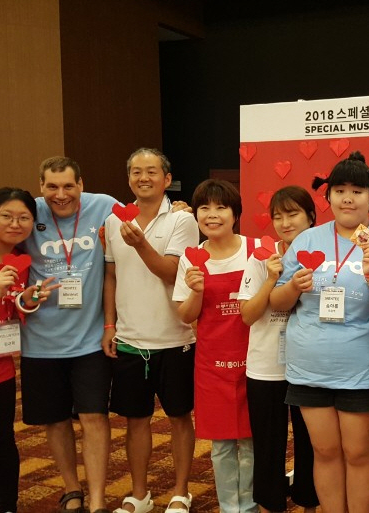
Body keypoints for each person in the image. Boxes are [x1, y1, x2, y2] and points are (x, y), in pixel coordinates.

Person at [269, 151, 369, 513]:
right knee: (324, 452)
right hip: (309, 366)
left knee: (358, 453)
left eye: (357, 191)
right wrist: (293, 286)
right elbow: (278, 302)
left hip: (362, 368)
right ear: (327, 196)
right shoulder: (307, 240)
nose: (348, 198)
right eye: (340, 190)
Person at [14, 157, 117, 513]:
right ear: (41, 186)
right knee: (55, 420)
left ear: (81, 184)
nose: (61, 195)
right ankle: (72, 489)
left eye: (68, 186)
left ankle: (98, 499)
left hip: (91, 338)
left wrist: (177, 209)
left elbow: (144, 218)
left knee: (94, 416)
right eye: (52, 187)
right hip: (40, 342)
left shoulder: (104, 206)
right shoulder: (28, 213)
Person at [102, 149, 198, 513]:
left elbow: (172, 273)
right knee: (136, 421)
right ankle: (139, 495)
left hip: (175, 339)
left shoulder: (181, 220)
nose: (144, 178)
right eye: (136, 172)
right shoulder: (114, 221)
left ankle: (181, 492)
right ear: (128, 179)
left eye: (152, 172)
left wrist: (140, 242)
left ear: (166, 178)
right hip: (129, 340)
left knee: (179, 418)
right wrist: (109, 324)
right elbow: (111, 276)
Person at [0, 187, 58, 513]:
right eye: (6, 216)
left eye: (24, 217)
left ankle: (8, 506)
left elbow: (11, 308)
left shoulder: (21, 259)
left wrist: (28, 300)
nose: (15, 224)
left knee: (2, 443)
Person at [174, 179, 260, 513]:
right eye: (204, 208)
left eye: (221, 207)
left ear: (235, 214)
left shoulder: (256, 249)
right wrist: (196, 290)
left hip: (255, 361)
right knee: (222, 445)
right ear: (195, 215)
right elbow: (186, 315)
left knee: (251, 441)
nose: (212, 215)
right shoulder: (191, 257)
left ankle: (249, 506)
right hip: (213, 363)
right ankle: (228, 507)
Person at [238, 186, 319, 513]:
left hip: (310, 367)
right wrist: (272, 278)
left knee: (311, 444)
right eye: (278, 216)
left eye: (293, 214)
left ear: (310, 217)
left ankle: (309, 503)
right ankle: (269, 505)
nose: (285, 223)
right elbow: (247, 315)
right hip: (266, 367)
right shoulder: (262, 258)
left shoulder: (325, 258)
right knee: (267, 445)